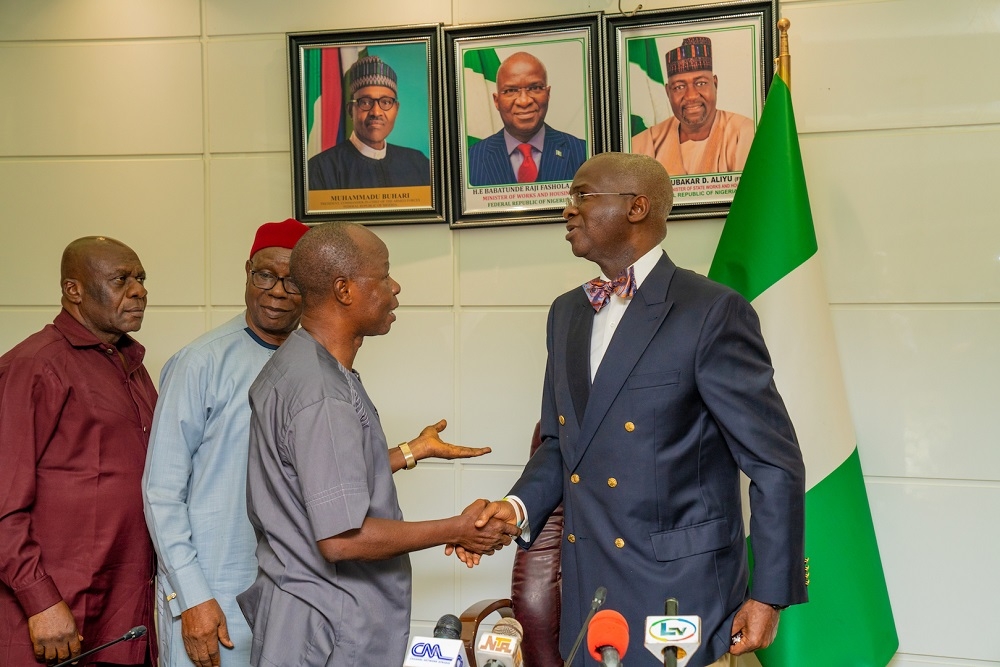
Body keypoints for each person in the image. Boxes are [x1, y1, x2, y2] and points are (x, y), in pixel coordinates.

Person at [463, 153, 808, 667]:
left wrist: (769, 593)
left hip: (680, 592)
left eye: (582, 195)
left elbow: (774, 463)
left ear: (637, 208)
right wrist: (513, 511)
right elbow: (562, 446)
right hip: (589, 589)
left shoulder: (712, 311)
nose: (567, 210)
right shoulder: (566, 313)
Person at [236, 222, 520, 667]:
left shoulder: (298, 363)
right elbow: (342, 539)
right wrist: (457, 528)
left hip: (303, 614)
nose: (395, 286)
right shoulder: (322, 394)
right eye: (384, 276)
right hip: (326, 627)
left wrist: (411, 452)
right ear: (344, 290)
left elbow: (313, 478)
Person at [142, 218, 310, 667]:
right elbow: (161, 494)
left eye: (292, 281)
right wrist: (193, 598)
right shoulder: (200, 363)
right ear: (247, 273)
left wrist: (407, 454)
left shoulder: (315, 366)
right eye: (264, 275)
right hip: (213, 597)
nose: (276, 290)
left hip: (290, 598)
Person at [0, 236, 157, 666]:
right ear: (74, 290)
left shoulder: (133, 368)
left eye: (141, 278)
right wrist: (40, 600)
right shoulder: (34, 365)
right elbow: (2, 502)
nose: (139, 290)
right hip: (54, 618)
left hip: (123, 615)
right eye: (121, 279)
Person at [631, 36, 755, 175]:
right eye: (679, 87)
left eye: (700, 83)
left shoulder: (745, 134)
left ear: (715, 84)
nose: (691, 96)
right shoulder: (644, 145)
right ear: (667, 92)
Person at [308, 55, 431, 190]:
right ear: (350, 110)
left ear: (396, 109)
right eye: (365, 102)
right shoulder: (320, 169)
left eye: (386, 102)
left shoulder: (418, 163)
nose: (376, 112)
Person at [468, 51, 587, 186]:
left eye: (534, 88)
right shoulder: (470, 160)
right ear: (496, 101)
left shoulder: (583, 154)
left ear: (547, 94)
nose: (524, 101)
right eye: (511, 90)